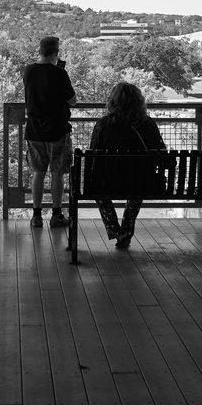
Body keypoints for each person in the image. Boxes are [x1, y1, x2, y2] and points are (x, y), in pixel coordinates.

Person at [89, 82, 166, 249]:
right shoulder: (148, 124)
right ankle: (126, 230)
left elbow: (93, 154)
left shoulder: (104, 125)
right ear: (139, 101)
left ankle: (117, 231)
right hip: (143, 182)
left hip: (109, 182)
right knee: (137, 189)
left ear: (113, 102)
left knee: (99, 193)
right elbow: (161, 154)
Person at [23, 36, 77, 228]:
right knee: (57, 173)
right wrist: (60, 72)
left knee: (38, 172)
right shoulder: (59, 74)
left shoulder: (28, 71)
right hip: (57, 130)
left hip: (34, 130)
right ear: (56, 53)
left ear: (40, 50)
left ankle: (36, 216)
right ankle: (56, 215)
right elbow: (72, 100)